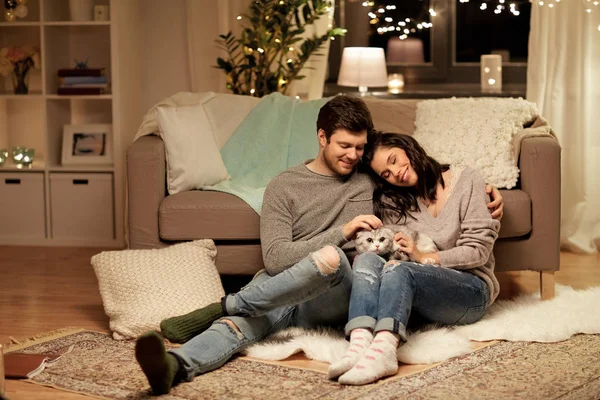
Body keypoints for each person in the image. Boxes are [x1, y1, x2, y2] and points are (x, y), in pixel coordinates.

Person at [134, 96, 504, 395]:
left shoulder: (369, 181)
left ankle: (221, 305)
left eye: (360, 148)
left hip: (340, 286)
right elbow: (276, 258)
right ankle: (177, 366)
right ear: (322, 137)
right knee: (244, 322)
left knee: (330, 259)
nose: (353, 156)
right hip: (288, 284)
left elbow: (422, 175)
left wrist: (489, 190)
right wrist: (341, 231)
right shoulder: (283, 186)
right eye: (345, 145)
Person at [327, 132, 501, 385]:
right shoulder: (393, 201)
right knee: (367, 260)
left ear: (407, 146)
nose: (396, 172)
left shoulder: (468, 180)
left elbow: (478, 251)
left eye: (394, 159)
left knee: (400, 269)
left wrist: (424, 256)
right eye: (386, 174)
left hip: (470, 291)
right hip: (422, 292)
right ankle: (359, 346)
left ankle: (384, 352)